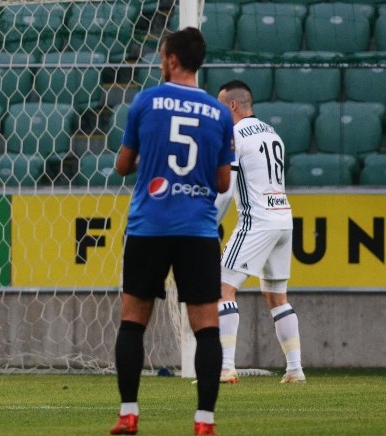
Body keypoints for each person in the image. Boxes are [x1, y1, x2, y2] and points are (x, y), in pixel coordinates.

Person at [110, 27, 234, 436]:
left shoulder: (146, 101)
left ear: (173, 59)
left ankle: (129, 414)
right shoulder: (218, 113)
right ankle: (204, 422)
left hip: (150, 227)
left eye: (163, 54)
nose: (161, 60)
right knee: (207, 327)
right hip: (197, 232)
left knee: (133, 323)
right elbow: (220, 182)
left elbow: (123, 166)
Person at [213, 80, 304, 385]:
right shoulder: (271, 132)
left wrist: (209, 223)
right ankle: (295, 369)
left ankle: (225, 368)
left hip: (257, 220)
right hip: (283, 217)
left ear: (233, 106)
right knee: (277, 296)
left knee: (223, 288)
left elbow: (226, 191)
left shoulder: (234, 135)